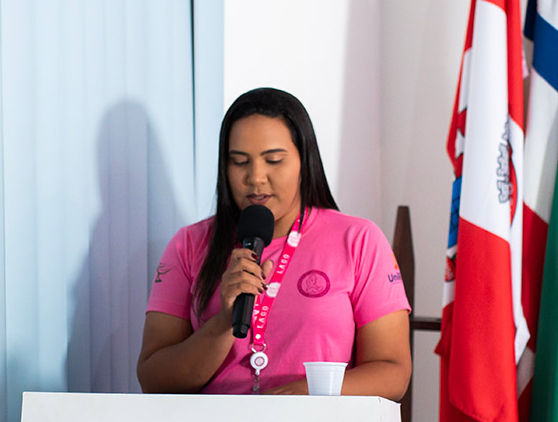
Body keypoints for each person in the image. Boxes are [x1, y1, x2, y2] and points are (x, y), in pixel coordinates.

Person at [137, 88, 411, 398]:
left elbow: (393, 371)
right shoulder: (189, 244)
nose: (256, 177)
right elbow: (154, 379)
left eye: (274, 161)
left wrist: (305, 395)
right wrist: (223, 323)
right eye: (239, 161)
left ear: (304, 161)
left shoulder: (358, 240)